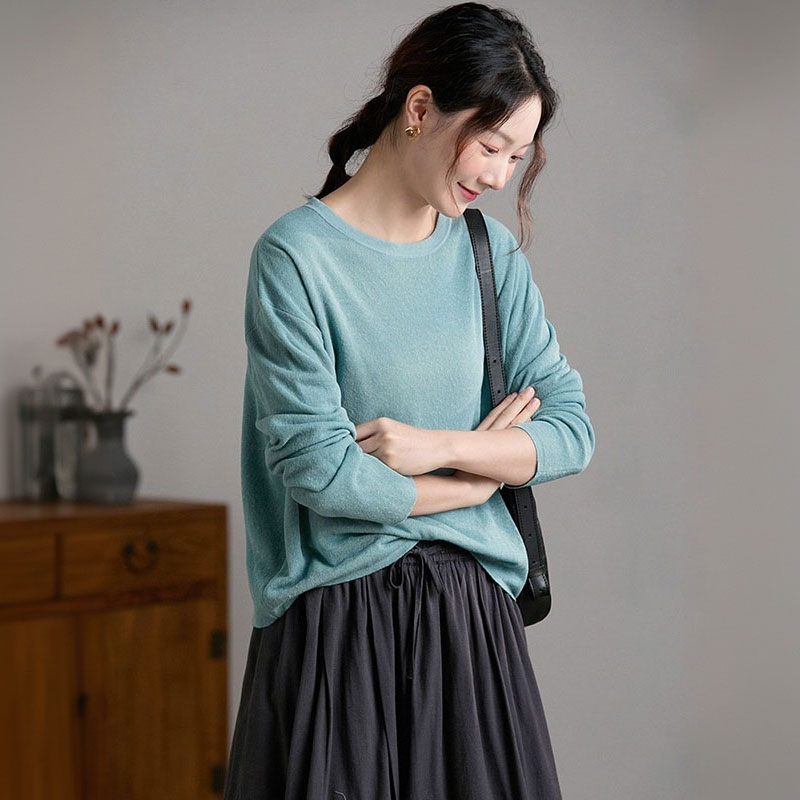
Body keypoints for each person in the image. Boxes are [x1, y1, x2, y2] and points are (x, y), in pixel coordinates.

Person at [223, 3, 595, 798]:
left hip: (472, 630)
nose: (500, 176)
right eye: (491, 146)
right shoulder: (297, 257)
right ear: (420, 108)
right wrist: (474, 488)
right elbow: (322, 474)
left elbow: (571, 431)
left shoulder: (489, 256)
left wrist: (441, 450)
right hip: (336, 631)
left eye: (518, 155)